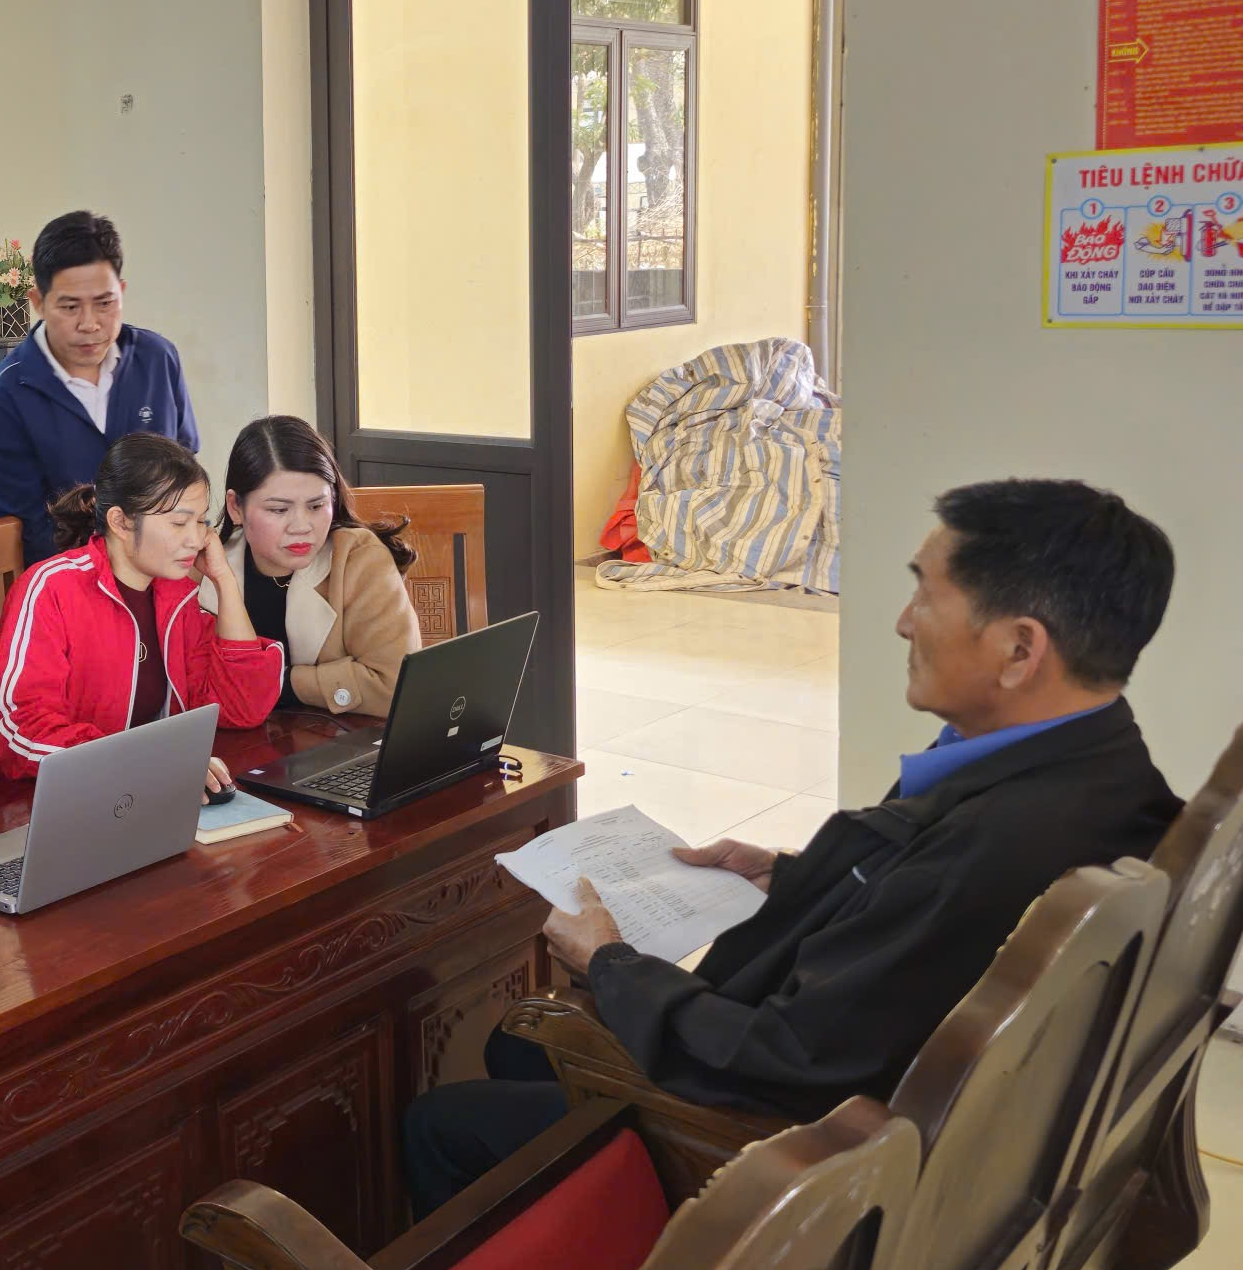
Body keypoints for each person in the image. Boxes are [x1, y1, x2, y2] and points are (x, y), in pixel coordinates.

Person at [402, 478, 1183, 1216]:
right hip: (873, 1072)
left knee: (444, 1121)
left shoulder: (996, 849)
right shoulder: (1099, 770)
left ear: (1020, 651)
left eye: (926, 595)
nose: (904, 621)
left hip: (788, 1154)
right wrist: (790, 876)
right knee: (518, 1045)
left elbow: (783, 1060)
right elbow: (910, 912)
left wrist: (607, 959)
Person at [0, 432, 284, 804]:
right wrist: (146, 764)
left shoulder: (175, 594)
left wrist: (224, 581)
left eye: (201, 521)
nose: (196, 539)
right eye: (179, 523)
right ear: (121, 522)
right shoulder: (50, 588)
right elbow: (20, 730)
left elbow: (241, 708)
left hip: (141, 797)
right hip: (46, 807)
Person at [0, 211, 198, 565]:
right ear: (38, 302)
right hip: (69, 582)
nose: (90, 324)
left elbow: (185, 475)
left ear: (122, 293)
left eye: (105, 303)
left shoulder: (157, 359)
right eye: (70, 307)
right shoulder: (2, 397)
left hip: (165, 572)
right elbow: (28, 533)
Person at [218, 415, 421, 718]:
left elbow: (396, 686)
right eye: (279, 509)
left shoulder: (359, 558)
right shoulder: (204, 567)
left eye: (316, 505)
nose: (302, 526)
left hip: (338, 740)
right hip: (229, 743)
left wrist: (278, 682)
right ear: (236, 507)